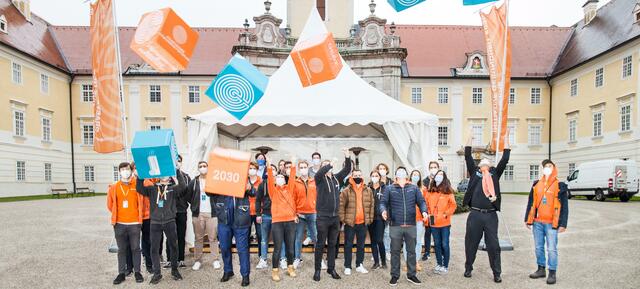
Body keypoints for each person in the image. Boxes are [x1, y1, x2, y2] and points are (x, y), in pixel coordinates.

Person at [463, 131, 510, 283]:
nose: (484, 161)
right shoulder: (475, 172)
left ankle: (497, 273)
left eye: (487, 161)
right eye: (482, 160)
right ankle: (468, 268)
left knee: (493, 245)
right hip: (475, 215)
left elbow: (505, 158)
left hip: (490, 215)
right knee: (471, 243)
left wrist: (506, 141)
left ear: (490, 165)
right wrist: (470, 138)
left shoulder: (495, 173)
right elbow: (468, 156)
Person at [206, 165, 256, 287]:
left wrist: (249, 187)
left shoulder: (244, 178)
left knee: (242, 249)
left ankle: (245, 275)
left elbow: (253, 192)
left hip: (241, 221)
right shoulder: (220, 179)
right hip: (224, 220)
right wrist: (211, 179)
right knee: (224, 247)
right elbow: (209, 192)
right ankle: (228, 271)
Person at [381, 166, 428, 286]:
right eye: (399, 172)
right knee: (395, 251)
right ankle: (394, 276)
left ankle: (411, 275)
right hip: (395, 225)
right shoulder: (389, 188)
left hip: (411, 224)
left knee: (411, 251)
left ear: (407, 175)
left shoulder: (414, 188)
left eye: (403, 172)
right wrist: (383, 211)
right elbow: (383, 203)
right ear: (396, 175)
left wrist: (424, 211)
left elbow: (421, 202)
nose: (401, 173)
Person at [136, 172, 186, 284]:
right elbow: (139, 189)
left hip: (170, 221)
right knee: (154, 248)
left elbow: (183, 187)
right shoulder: (152, 188)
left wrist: (177, 171)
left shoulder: (173, 189)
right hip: (155, 222)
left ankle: (174, 270)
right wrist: (140, 175)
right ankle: (157, 273)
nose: (164, 176)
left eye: (167, 173)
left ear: (169, 176)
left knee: (173, 246)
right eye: (162, 174)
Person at [524, 159, 569, 285]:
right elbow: (531, 202)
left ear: (554, 168)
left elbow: (565, 206)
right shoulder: (536, 184)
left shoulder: (560, 186)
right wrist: (527, 219)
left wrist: (563, 223)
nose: (547, 168)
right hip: (537, 222)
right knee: (538, 247)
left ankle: (552, 272)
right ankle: (541, 269)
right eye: (545, 166)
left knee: (551, 249)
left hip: (551, 223)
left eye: (550, 165)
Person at [313, 149, 352, 282]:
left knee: (332, 244)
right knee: (320, 244)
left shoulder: (337, 178)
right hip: (322, 218)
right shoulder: (319, 179)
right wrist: (329, 165)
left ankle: (331, 268)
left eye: (328, 165)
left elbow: (347, 169)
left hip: (335, 218)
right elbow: (319, 173)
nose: (327, 167)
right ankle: (317, 269)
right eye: (324, 165)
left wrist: (347, 156)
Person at [108, 162, 145, 285]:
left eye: (127, 169)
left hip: (134, 223)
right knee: (122, 249)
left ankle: (138, 272)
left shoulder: (137, 185)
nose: (125, 171)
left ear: (131, 170)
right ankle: (121, 273)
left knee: (136, 248)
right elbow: (110, 204)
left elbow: (142, 202)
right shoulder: (114, 187)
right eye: (122, 169)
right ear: (119, 172)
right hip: (119, 223)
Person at [266, 158, 299, 281]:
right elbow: (269, 179)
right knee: (278, 248)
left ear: (285, 180)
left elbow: (292, 176)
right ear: (275, 180)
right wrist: (269, 164)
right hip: (277, 223)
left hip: (290, 221)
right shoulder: (273, 191)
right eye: (277, 177)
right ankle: (275, 271)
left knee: (290, 247)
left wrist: (294, 162)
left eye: (281, 177)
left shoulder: (289, 189)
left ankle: (290, 268)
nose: (279, 178)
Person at [186, 161, 221, 271]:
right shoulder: (194, 182)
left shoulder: (213, 181)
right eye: (200, 166)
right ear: (198, 168)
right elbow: (188, 196)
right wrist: (195, 206)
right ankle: (197, 260)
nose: (202, 168)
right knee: (198, 238)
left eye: (204, 166)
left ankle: (215, 260)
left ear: (208, 168)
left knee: (213, 238)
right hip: (198, 213)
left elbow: (218, 195)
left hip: (212, 213)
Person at [339, 169, 374, 275]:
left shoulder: (368, 190)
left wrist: (370, 219)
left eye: (359, 175)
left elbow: (372, 205)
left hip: (363, 223)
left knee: (361, 245)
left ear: (362, 176)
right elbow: (341, 206)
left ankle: (359, 265)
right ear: (352, 177)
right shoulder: (346, 190)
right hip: (350, 223)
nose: (357, 177)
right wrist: (344, 220)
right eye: (355, 175)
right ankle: (347, 266)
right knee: (348, 245)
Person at [426, 170, 457, 275]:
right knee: (437, 244)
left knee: (445, 244)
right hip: (434, 223)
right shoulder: (430, 191)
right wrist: (429, 214)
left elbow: (453, 205)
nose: (438, 176)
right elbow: (426, 204)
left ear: (444, 177)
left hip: (445, 223)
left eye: (441, 175)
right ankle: (439, 263)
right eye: (437, 175)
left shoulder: (448, 191)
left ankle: (445, 265)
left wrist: (445, 214)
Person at [164, 155, 190, 268]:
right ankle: (169, 259)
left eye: (179, 161)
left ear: (181, 162)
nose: (177, 163)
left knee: (180, 235)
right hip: (169, 211)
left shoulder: (186, 176)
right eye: (175, 161)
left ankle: (181, 259)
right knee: (169, 236)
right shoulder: (166, 176)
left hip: (181, 210)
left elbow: (187, 191)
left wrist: (186, 203)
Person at [293, 160, 317, 268]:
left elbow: (318, 197)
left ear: (308, 168)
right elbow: (293, 199)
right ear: (299, 169)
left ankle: (319, 259)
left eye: (305, 167)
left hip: (312, 213)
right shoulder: (295, 182)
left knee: (315, 237)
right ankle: (297, 258)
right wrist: (294, 214)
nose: (303, 169)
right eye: (301, 167)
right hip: (300, 214)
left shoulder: (314, 181)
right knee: (298, 237)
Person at [402, 169, 426, 272]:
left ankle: (415, 262)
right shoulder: (405, 187)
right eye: (414, 174)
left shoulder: (423, 189)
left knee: (418, 242)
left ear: (420, 177)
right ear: (410, 176)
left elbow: (426, 204)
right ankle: (408, 263)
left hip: (420, 219)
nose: (416, 176)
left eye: (418, 175)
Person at [255, 164, 277, 270]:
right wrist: (258, 214)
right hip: (266, 215)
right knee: (264, 239)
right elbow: (258, 200)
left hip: (278, 216)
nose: (271, 171)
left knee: (279, 239)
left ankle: (281, 259)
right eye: (270, 170)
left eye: (273, 169)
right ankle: (263, 259)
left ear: (276, 172)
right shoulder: (262, 185)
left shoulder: (280, 184)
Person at [367, 170, 387, 270]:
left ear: (379, 177)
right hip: (370, 218)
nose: (374, 177)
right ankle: (376, 262)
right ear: (370, 177)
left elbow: (388, 202)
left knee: (379, 239)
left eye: (376, 176)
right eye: (373, 175)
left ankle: (383, 261)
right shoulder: (367, 188)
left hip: (380, 218)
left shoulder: (384, 188)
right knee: (373, 241)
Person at [422, 161, 440, 261]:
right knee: (428, 232)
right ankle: (427, 252)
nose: (433, 169)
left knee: (437, 232)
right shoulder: (425, 180)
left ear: (438, 168)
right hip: (429, 212)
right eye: (431, 167)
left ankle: (439, 251)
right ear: (429, 169)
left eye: (435, 167)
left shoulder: (441, 179)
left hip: (438, 212)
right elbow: (424, 195)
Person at [248, 160, 264, 260]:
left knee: (260, 235)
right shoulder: (244, 180)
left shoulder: (261, 181)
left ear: (257, 170)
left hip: (259, 212)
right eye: (250, 168)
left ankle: (262, 257)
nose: (252, 170)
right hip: (246, 212)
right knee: (246, 236)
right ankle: (246, 256)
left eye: (254, 168)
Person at [377, 163, 392, 262]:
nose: (382, 170)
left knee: (387, 233)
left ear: (387, 170)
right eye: (380, 169)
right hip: (378, 211)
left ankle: (387, 251)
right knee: (379, 234)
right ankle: (379, 252)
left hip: (389, 210)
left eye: (384, 168)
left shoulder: (391, 182)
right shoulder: (375, 181)